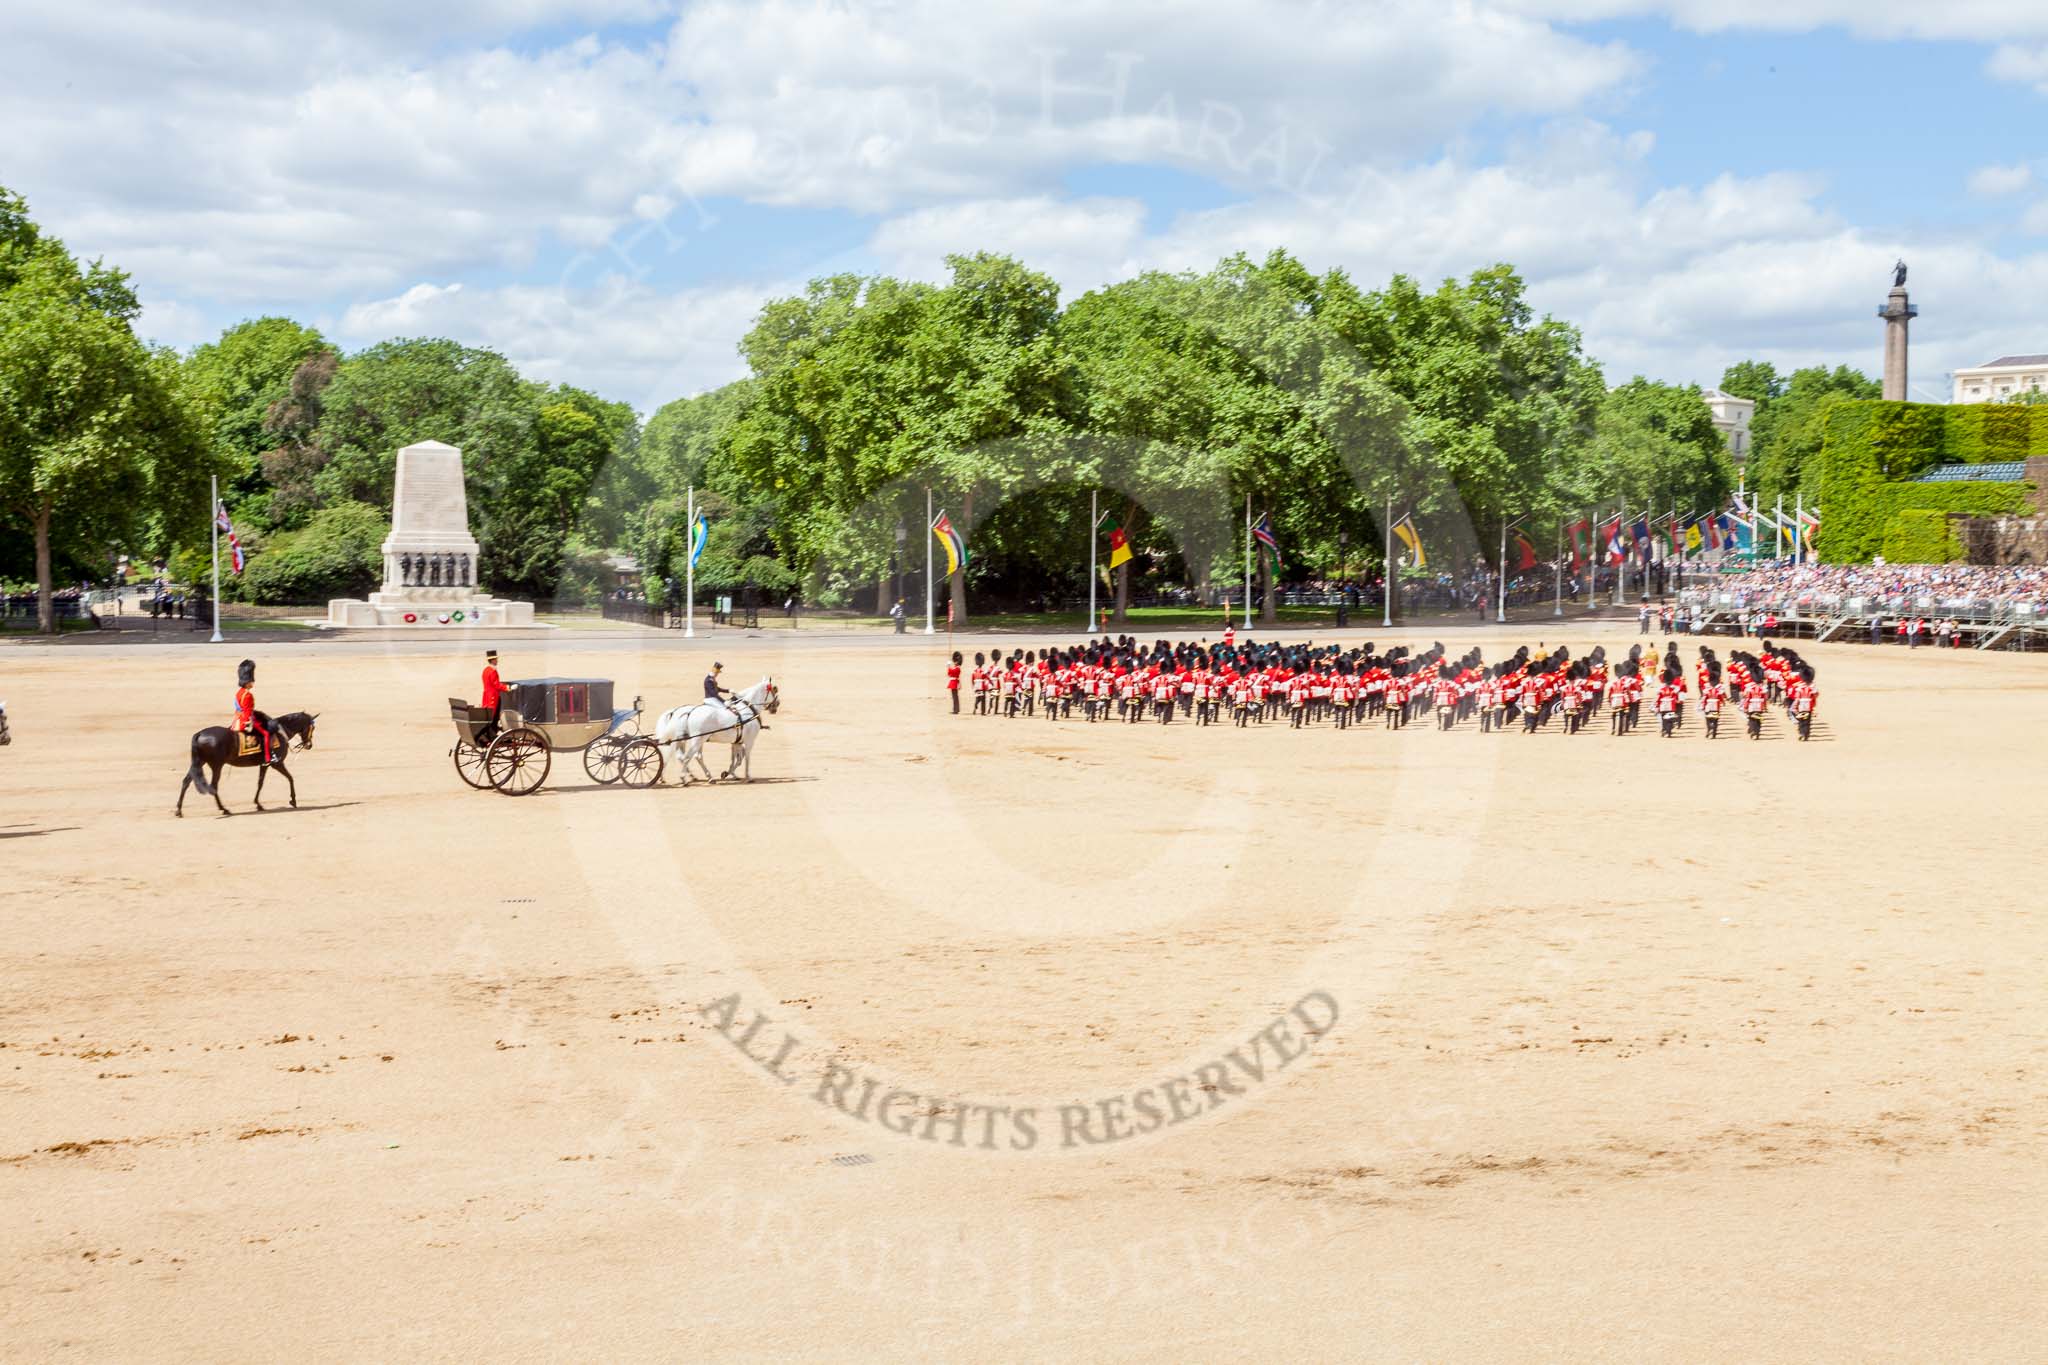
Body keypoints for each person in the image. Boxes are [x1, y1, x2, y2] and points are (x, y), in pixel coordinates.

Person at [232, 658, 271, 763]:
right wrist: (249, 723)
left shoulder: (239, 692)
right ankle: (267, 758)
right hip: (245, 721)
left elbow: (238, 707)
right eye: (251, 681)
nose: (252, 683)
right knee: (266, 734)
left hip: (236, 719)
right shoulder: (248, 695)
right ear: (247, 682)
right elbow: (247, 711)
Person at [478, 649, 507, 744]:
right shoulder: (493, 671)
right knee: (494, 717)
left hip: (486, 696)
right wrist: (507, 688)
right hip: (493, 697)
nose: (497, 661)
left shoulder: (485, 670)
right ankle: (492, 735)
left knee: (489, 716)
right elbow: (496, 685)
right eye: (496, 659)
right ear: (493, 660)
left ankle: (490, 734)